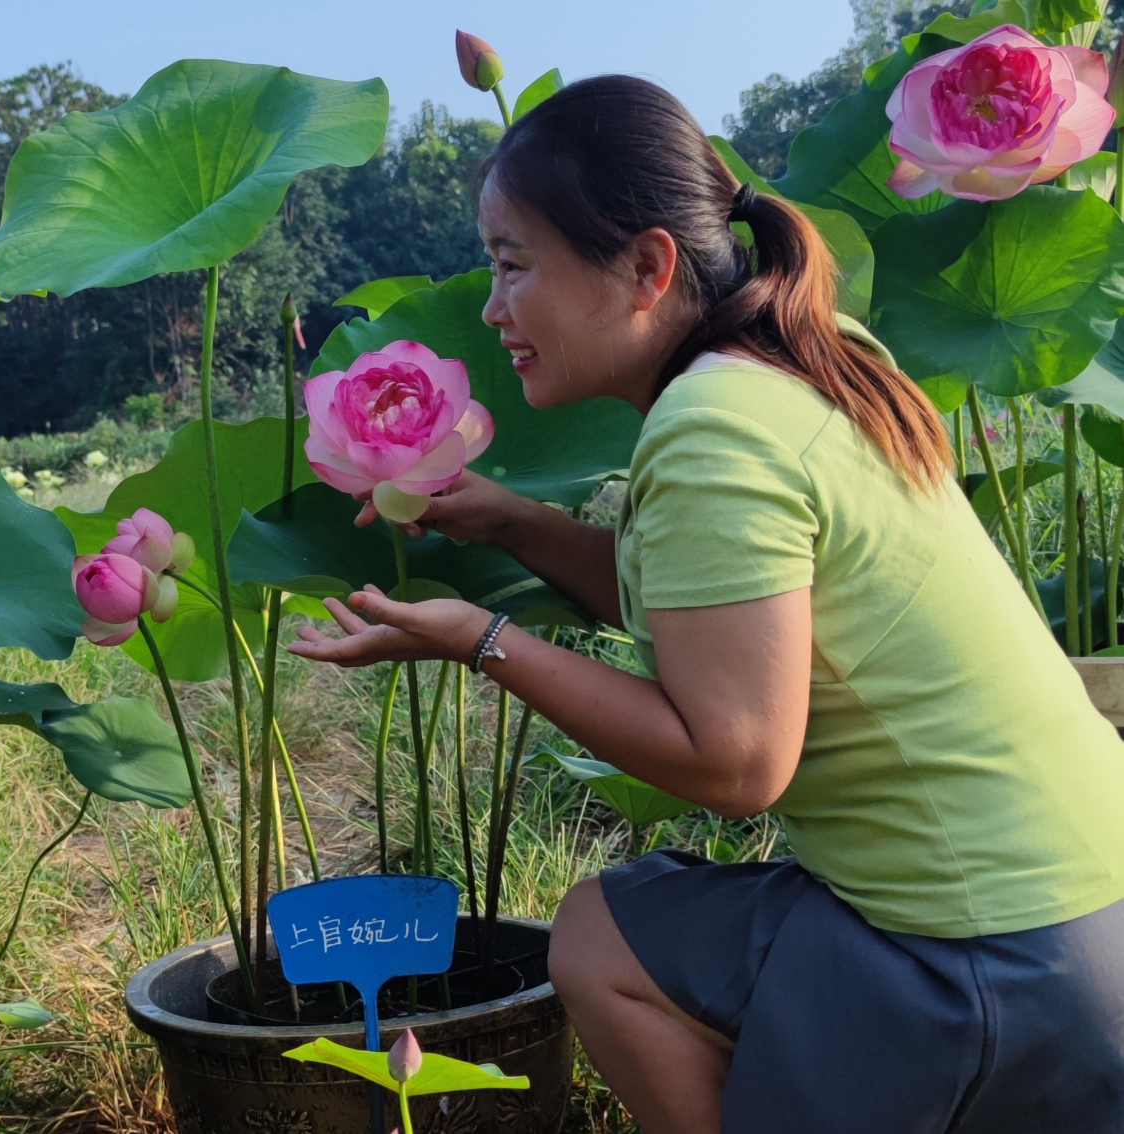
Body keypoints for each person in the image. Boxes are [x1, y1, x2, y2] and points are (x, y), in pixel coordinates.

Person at [286, 76, 1124, 1134]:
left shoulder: (711, 427)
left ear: (646, 266)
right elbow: (721, 619)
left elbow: (735, 763)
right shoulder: (806, 356)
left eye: (511, 266)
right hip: (1093, 901)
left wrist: (481, 639)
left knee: (599, 935)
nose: (493, 308)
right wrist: (513, 523)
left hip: (984, 957)